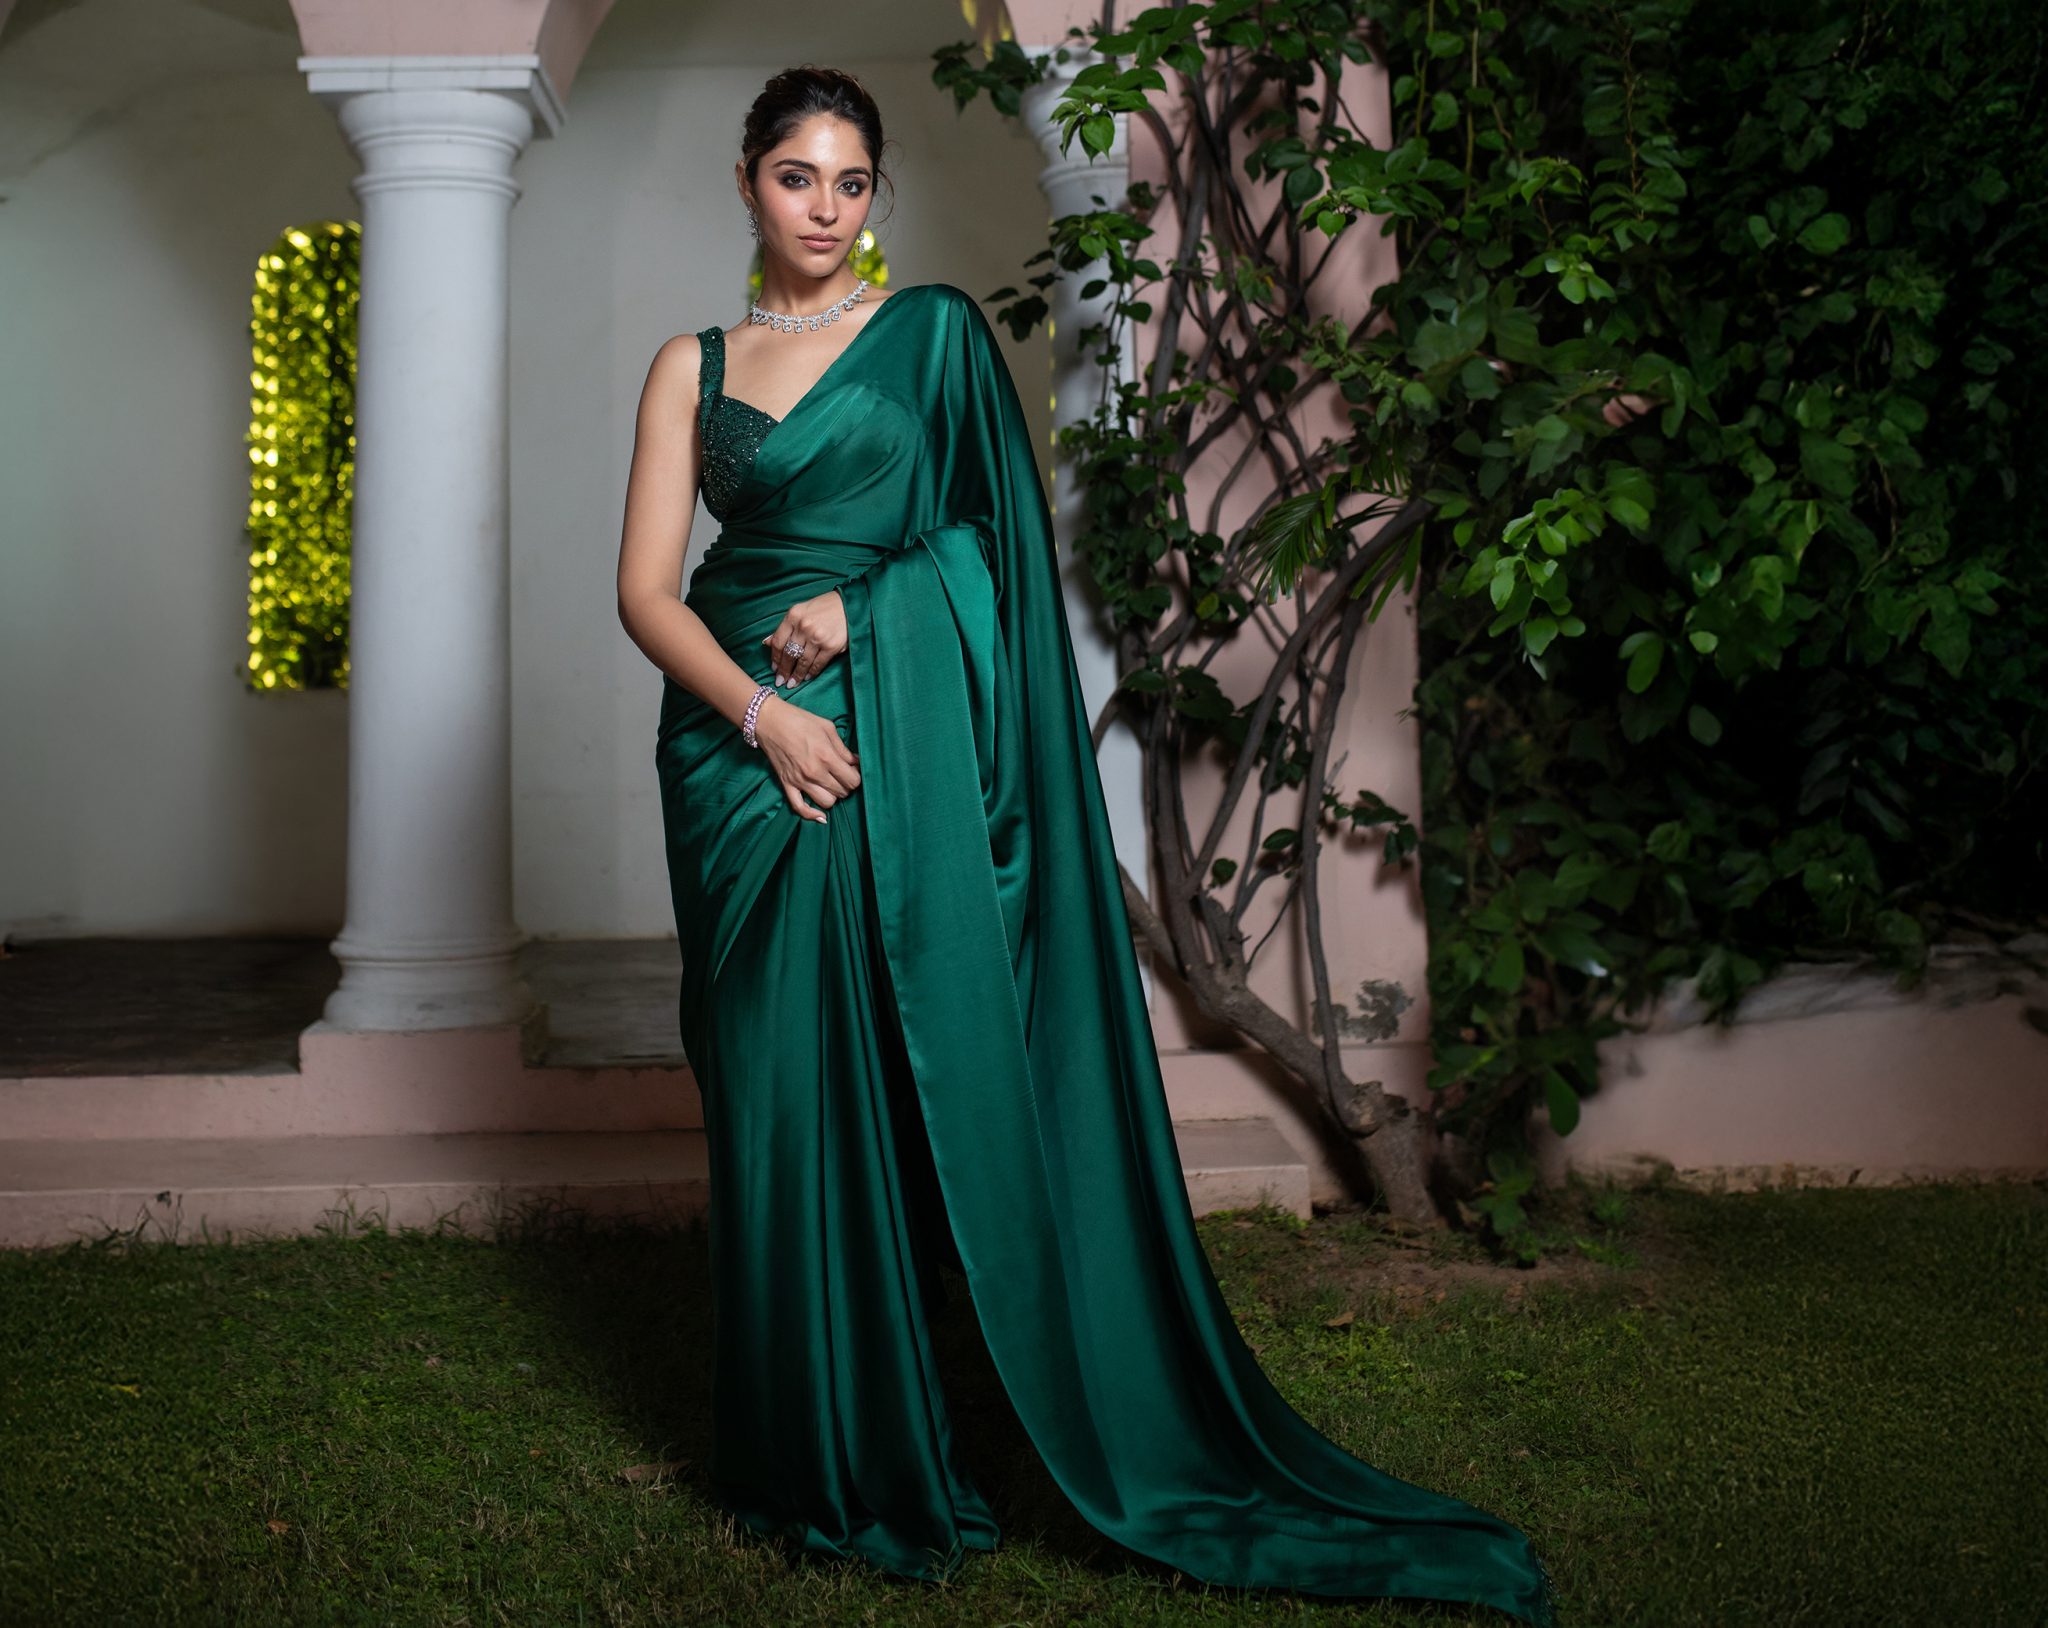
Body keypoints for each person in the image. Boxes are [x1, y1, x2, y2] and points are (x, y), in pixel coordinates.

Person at [612, 63, 1559, 1628]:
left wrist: (867, 608)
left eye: (852, 182)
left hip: (890, 739)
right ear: (748, 181)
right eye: (796, 177)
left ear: (876, 194)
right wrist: (763, 718)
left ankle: (906, 1440)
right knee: (774, 1088)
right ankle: (804, 1452)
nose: (826, 209)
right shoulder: (691, 367)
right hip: (735, 750)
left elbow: (990, 549)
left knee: (880, 1079)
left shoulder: (932, 340)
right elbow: (647, 592)